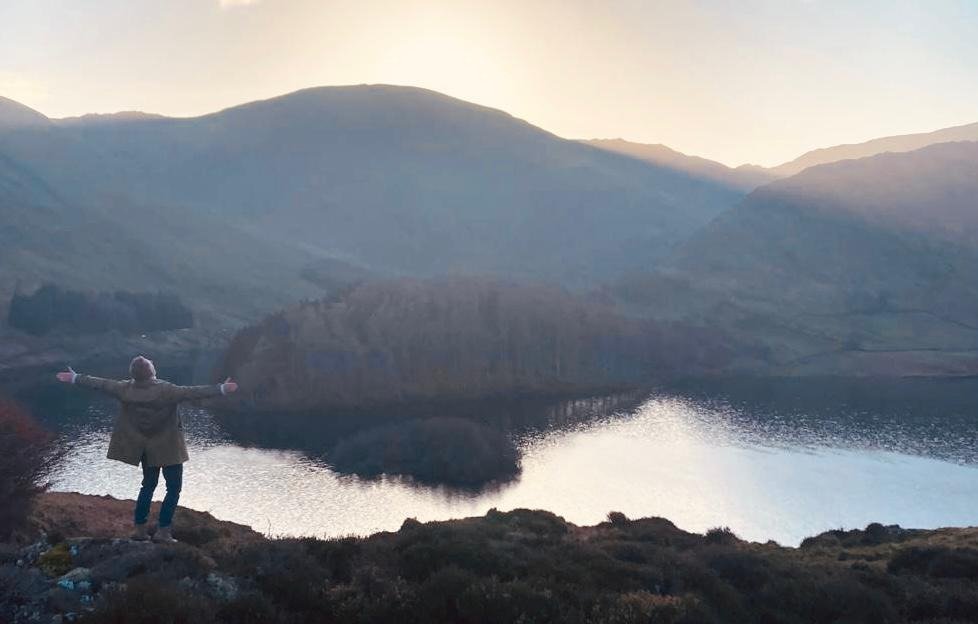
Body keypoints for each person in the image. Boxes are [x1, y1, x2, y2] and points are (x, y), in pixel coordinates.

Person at [56, 356, 238, 543]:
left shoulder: (124, 389)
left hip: (145, 448)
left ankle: (140, 530)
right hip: (169, 448)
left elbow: (100, 384)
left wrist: (75, 378)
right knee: (173, 489)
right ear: (152, 371)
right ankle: (163, 532)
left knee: (148, 486)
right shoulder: (167, 390)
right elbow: (195, 393)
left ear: (133, 374)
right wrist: (222, 389)